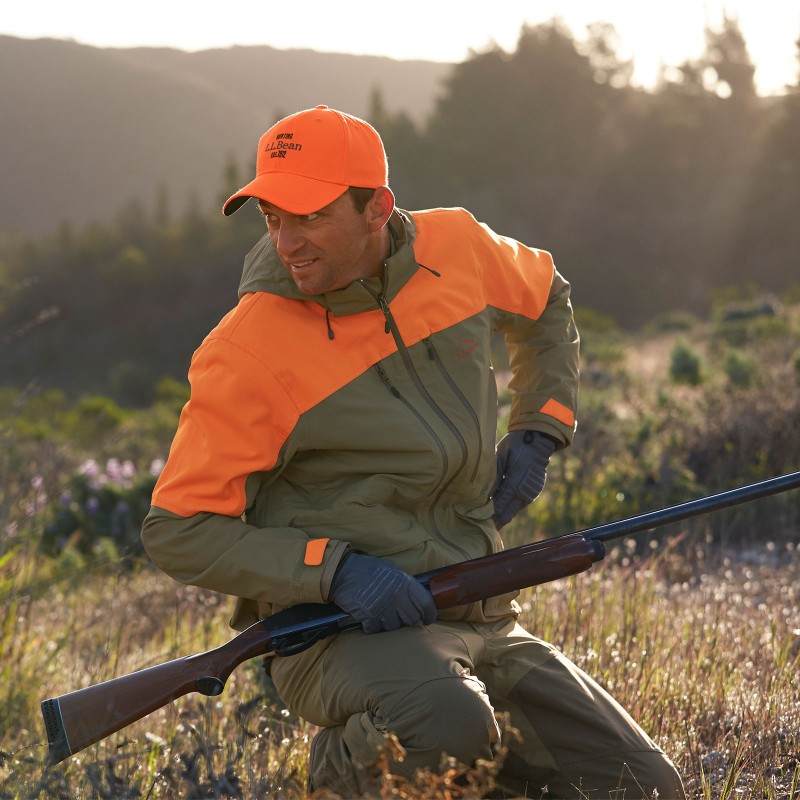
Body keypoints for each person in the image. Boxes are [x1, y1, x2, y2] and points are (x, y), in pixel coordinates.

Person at [142, 105, 685, 799]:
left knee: (645, 788)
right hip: (338, 634)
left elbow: (547, 298)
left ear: (378, 209)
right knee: (448, 720)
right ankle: (341, 775)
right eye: (272, 217)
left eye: (309, 216)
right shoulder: (244, 350)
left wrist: (538, 430)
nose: (287, 242)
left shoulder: (455, 245)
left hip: (474, 607)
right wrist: (334, 571)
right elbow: (177, 530)